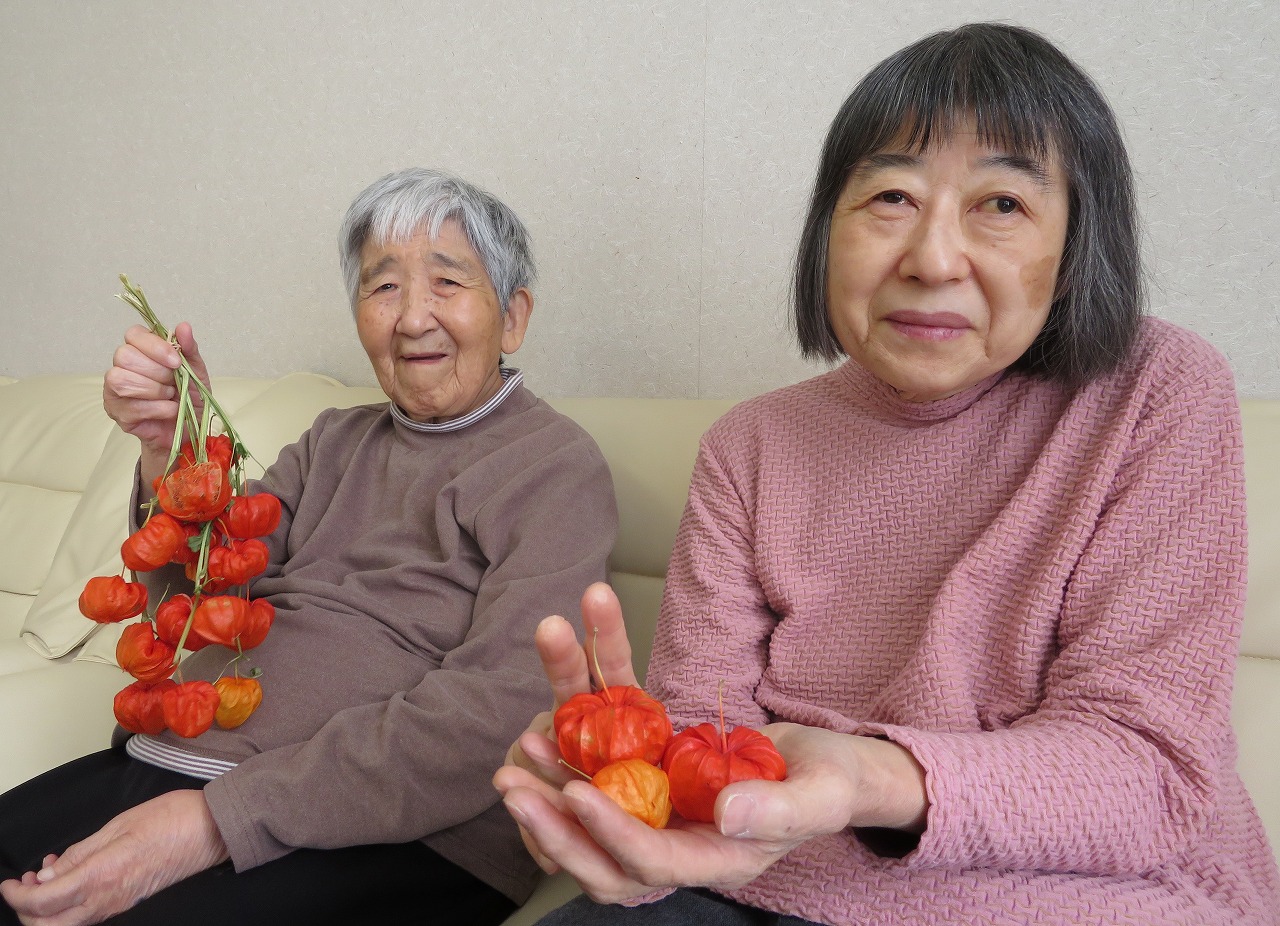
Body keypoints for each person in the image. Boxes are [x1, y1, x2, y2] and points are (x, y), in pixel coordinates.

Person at [494, 22, 1280, 925]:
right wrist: (633, 789)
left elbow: (1146, 771)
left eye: (1004, 205)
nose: (934, 258)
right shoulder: (749, 447)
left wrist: (869, 776)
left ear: (1074, 252)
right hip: (772, 880)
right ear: (830, 230)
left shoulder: (1157, 393)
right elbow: (706, 737)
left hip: (1083, 896)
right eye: (893, 197)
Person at [0, 168, 617, 926]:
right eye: (383, 287)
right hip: (171, 763)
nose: (412, 317)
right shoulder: (333, 438)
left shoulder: (554, 466)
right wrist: (173, 449)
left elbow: (495, 713)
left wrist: (215, 823)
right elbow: (197, 609)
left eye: (448, 282)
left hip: (397, 838)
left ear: (513, 316)